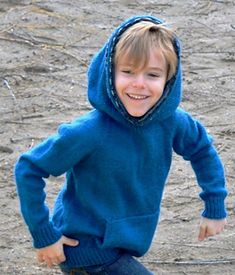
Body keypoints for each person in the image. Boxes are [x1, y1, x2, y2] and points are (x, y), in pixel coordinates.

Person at [14, 15, 227, 275]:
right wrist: (44, 234)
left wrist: (214, 205)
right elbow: (29, 168)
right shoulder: (90, 131)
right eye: (127, 71)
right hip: (86, 250)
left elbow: (202, 150)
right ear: (110, 72)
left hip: (123, 244)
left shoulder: (173, 122)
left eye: (153, 74)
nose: (139, 84)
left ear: (169, 80)